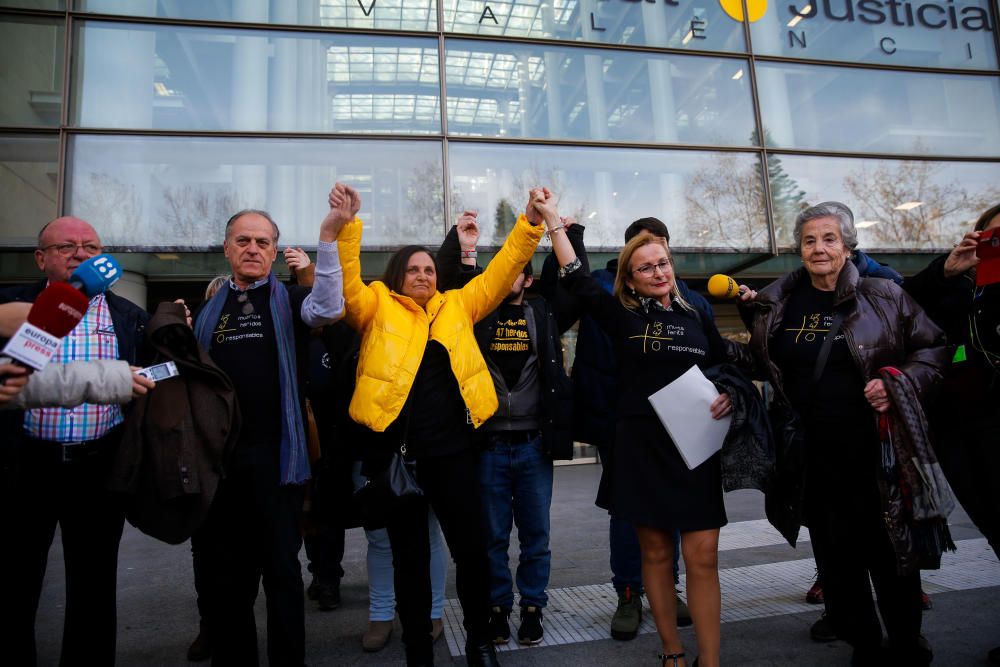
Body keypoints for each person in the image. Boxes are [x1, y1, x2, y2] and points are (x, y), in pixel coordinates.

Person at [333, 182, 545, 666]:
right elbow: (345, 288)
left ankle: (479, 643)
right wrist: (346, 230)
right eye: (413, 269)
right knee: (410, 562)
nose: (423, 275)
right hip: (398, 459)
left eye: (429, 269)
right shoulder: (376, 306)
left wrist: (529, 224)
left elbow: (502, 271)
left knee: (471, 554)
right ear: (397, 276)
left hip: (455, 456)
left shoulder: (458, 306)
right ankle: (416, 652)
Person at [737, 201, 949, 666]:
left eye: (829, 238)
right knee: (837, 563)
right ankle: (865, 646)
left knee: (891, 553)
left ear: (849, 246)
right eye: (809, 240)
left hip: (877, 454)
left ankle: (908, 643)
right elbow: (758, 364)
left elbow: (934, 348)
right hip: (813, 458)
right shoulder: (779, 302)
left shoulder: (885, 295)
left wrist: (899, 381)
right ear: (799, 249)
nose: (819, 248)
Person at [545, 188, 734, 667]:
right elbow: (576, 277)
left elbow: (725, 364)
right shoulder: (619, 315)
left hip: (694, 449)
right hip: (640, 447)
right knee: (653, 553)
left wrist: (730, 390)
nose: (658, 273)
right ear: (629, 278)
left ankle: (709, 661)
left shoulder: (696, 315)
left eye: (664, 263)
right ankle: (671, 651)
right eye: (646, 266)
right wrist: (553, 224)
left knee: (703, 556)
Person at [190, 194, 347, 666]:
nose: (253, 248)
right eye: (244, 240)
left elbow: (329, 305)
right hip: (220, 468)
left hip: (278, 465)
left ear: (275, 252)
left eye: (263, 241)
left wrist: (328, 237)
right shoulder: (205, 313)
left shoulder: (293, 301)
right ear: (227, 248)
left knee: (282, 574)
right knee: (229, 581)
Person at [0, 216, 152, 666]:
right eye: (67, 246)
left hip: (98, 464)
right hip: (26, 465)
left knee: (93, 583)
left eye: (91, 246)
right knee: (15, 581)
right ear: (40, 258)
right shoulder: (11, 308)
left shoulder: (130, 317)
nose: (81, 254)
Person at [437, 210, 574, 646]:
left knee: (536, 535)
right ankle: (497, 608)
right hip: (489, 444)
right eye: (505, 270)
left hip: (534, 443)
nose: (510, 276)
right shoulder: (477, 314)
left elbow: (574, 279)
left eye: (518, 271)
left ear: (528, 280)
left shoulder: (542, 313)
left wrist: (560, 232)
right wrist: (465, 248)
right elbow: (455, 284)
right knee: (492, 536)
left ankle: (533, 606)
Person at [904, 202, 1000, 665]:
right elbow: (904, 308)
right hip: (960, 430)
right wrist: (946, 268)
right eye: (992, 236)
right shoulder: (958, 284)